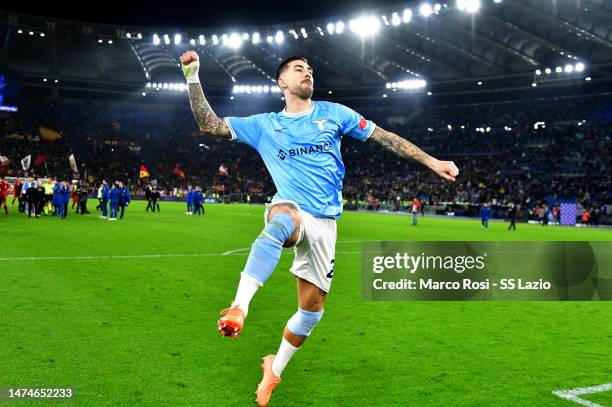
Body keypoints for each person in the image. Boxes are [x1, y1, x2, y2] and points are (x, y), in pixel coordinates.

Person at [181, 51, 459, 406]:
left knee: (311, 312)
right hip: (293, 207)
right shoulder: (265, 124)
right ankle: (239, 307)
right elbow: (211, 124)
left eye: (310, 69)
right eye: (299, 69)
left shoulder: (335, 114)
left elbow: (384, 137)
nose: (308, 72)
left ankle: (274, 369)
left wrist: (432, 161)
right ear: (282, 82)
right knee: (282, 220)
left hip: (326, 222)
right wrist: (192, 77)